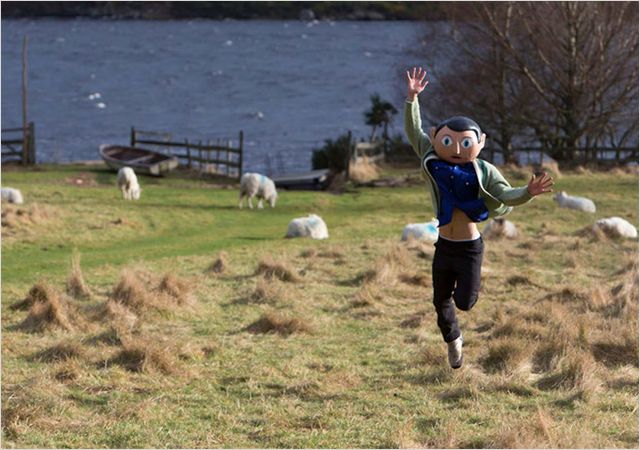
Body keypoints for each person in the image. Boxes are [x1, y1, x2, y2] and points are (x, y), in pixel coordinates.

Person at [404, 66, 554, 369]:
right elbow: (412, 130)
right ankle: (453, 340)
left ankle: (466, 301)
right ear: (435, 138)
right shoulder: (431, 159)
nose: (456, 149)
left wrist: (527, 192)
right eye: (448, 142)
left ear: (480, 142)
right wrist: (412, 98)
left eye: (465, 143)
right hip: (443, 245)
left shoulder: (483, 171)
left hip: (470, 248)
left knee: (464, 302)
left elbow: (505, 194)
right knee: (439, 300)